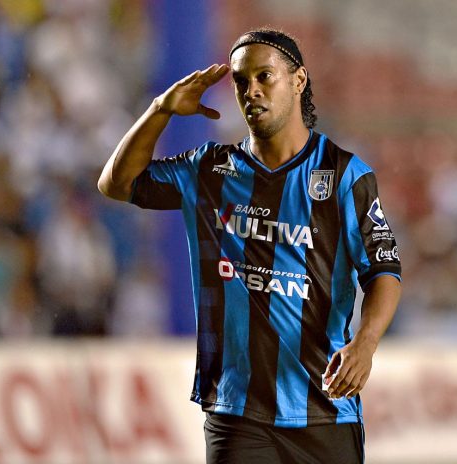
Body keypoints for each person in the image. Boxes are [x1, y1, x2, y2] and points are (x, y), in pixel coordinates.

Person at [98, 27, 402, 464]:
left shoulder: (344, 175)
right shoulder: (210, 170)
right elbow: (116, 183)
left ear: (298, 80)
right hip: (236, 412)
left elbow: (383, 271)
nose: (251, 90)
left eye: (264, 76)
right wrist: (161, 109)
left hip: (324, 407)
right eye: (241, 81)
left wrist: (366, 343)